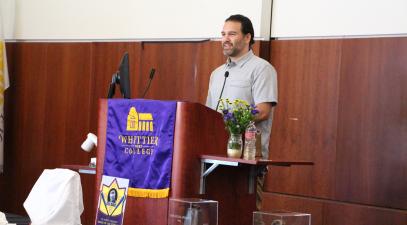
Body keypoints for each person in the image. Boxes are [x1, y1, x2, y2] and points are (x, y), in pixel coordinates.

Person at [206, 14, 278, 210]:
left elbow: (262, 111)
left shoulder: (262, 69)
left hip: (247, 160)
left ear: (247, 37)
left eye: (232, 34)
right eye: (223, 34)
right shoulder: (217, 73)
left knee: (246, 215)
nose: (225, 39)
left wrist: (231, 119)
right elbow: (208, 114)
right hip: (214, 158)